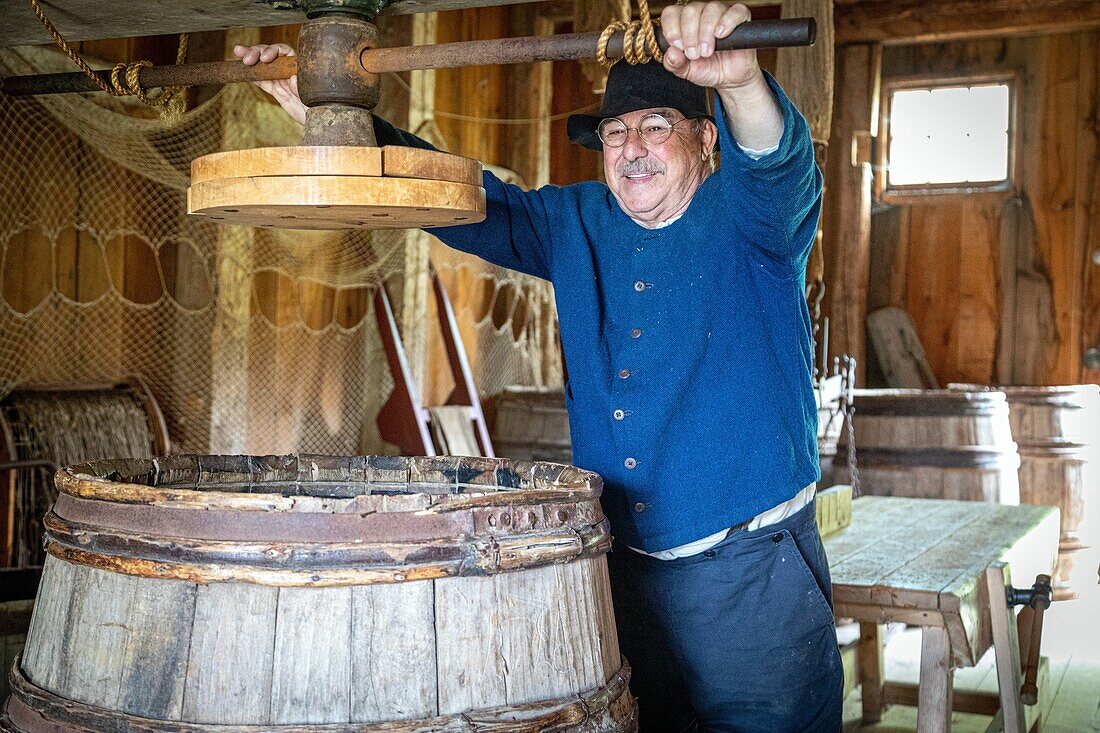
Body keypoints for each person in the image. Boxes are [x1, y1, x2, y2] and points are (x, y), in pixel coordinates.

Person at [238, 3, 842, 730]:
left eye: (656, 127)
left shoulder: (752, 218)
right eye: (616, 133)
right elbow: (465, 202)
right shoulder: (575, 219)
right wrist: (335, 114)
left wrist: (740, 79)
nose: (632, 149)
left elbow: (779, 164)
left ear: (705, 139)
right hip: (624, 574)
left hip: (751, 583)